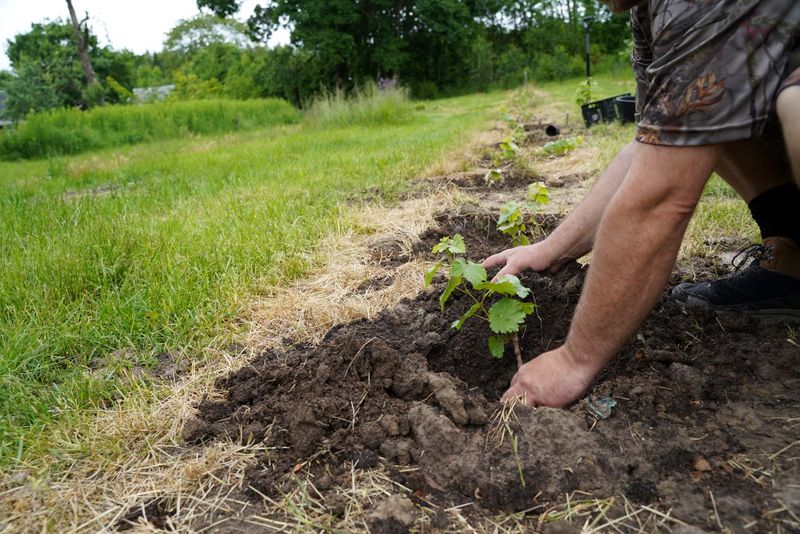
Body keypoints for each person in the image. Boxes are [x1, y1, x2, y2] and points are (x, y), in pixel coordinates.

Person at [483, 0, 800, 408]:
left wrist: (574, 361)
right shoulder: (650, 11)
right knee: (705, 103)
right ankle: (792, 261)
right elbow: (656, 141)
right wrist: (551, 249)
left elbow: (662, 197)